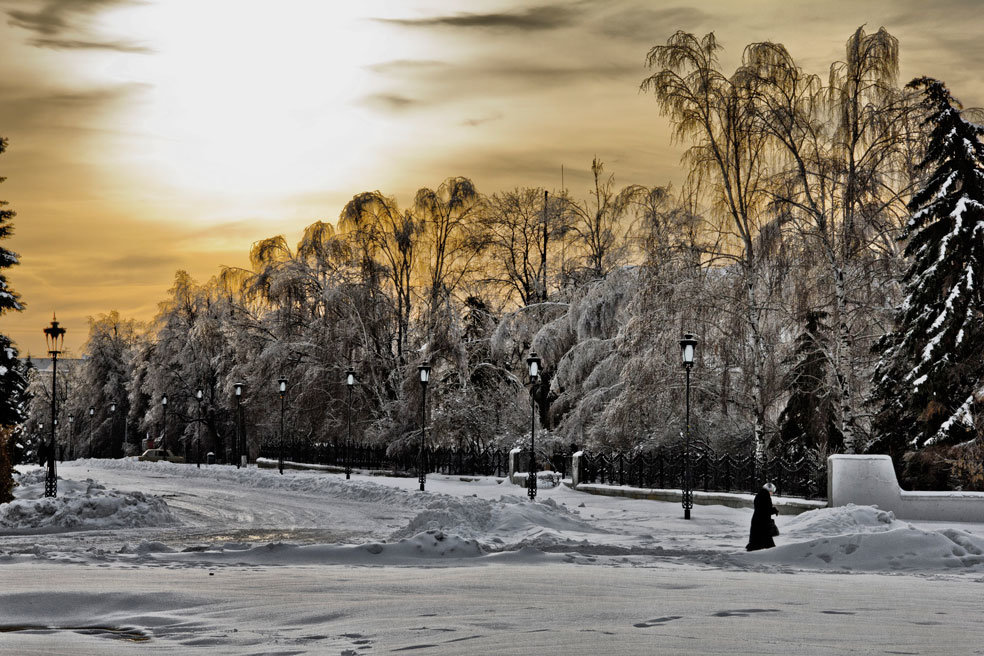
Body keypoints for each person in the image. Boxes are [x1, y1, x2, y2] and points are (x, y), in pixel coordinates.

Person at [746, 482, 779, 551]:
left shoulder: (760, 495)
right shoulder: (765, 496)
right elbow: (765, 510)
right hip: (762, 522)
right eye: (772, 491)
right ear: (769, 490)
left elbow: (761, 508)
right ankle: (772, 554)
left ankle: (754, 551)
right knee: (767, 541)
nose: (772, 493)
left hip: (758, 520)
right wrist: (774, 510)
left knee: (757, 539)